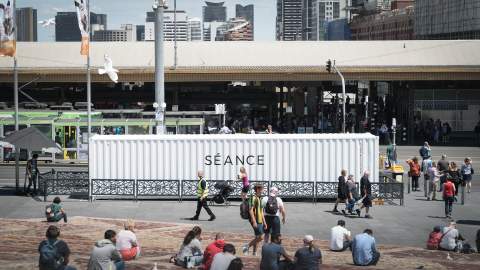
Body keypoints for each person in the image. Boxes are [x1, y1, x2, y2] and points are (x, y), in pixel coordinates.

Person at [243, 184, 267, 256]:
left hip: (260, 220)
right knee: (261, 236)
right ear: (258, 189)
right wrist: (254, 221)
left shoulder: (260, 198)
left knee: (257, 237)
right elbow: (250, 210)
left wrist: (264, 222)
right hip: (255, 220)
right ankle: (246, 246)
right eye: (262, 189)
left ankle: (254, 252)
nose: (263, 190)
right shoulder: (252, 197)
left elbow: (262, 211)